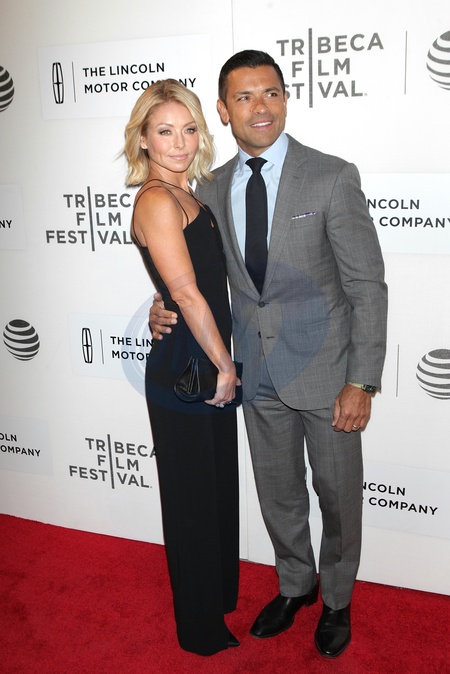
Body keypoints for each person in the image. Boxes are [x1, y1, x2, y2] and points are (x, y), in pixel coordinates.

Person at [150, 51, 388, 659]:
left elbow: (366, 285)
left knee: (337, 495)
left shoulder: (331, 176)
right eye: (244, 97)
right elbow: (192, 271)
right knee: (278, 493)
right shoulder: (210, 187)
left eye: (271, 93)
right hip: (255, 374)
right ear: (224, 110)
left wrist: (362, 379)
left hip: (329, 374)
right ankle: (295, 585)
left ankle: (337, 599)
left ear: (285, 99)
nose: (260, 107)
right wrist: (160, 303)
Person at [123, 79, 241, 656]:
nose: (179, 142)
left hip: (204, 352)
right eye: (165, 131)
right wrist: (225, 365)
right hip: (188, 366)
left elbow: (191, 287)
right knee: (192, 498)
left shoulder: (190, 193)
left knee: (216, 486)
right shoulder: (155, 200)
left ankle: (216, 596)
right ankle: (199, 629)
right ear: (143, 139)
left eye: (189, 129)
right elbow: (188, 294)